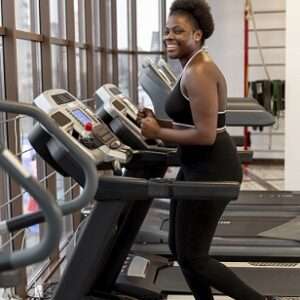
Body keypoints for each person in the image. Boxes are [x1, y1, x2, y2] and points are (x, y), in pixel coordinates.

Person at [138, 0, 275, 299]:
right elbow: (190, 121)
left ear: (197, 35)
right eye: (167, 31)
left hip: (211, 169)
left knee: (194, 256)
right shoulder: (192, 66)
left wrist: (158, 132)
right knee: (181, 250)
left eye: (179, 31)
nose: (169, 37)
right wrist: (157, 121)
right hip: (196, 168)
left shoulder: (198, 72)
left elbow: (205, 135)